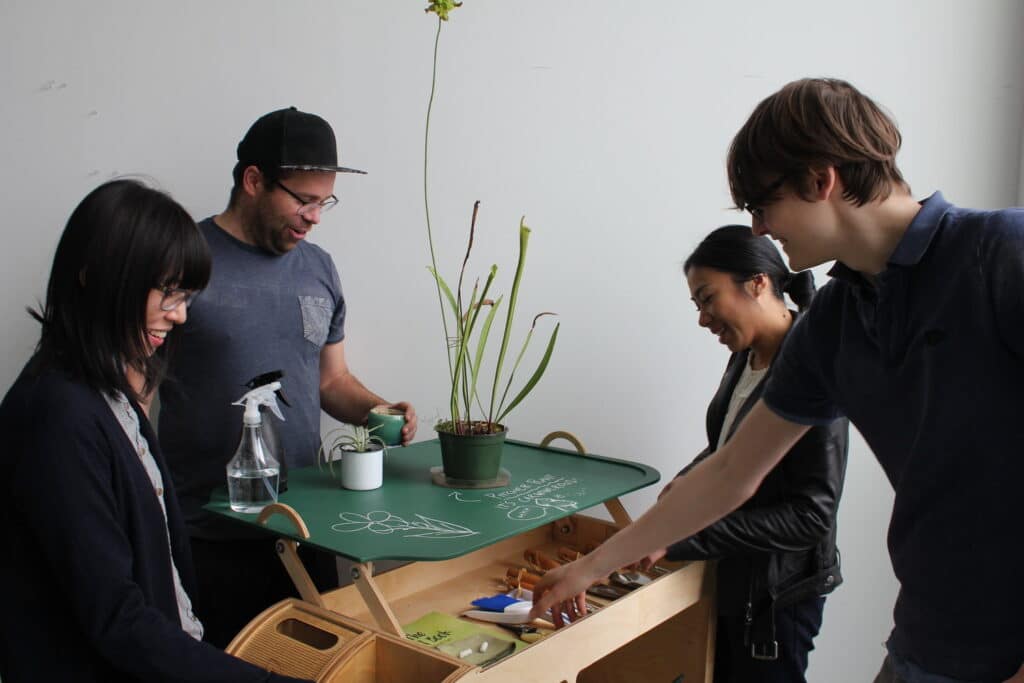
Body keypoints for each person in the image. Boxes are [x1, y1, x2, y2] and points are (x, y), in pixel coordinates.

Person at [530, 78, 1024, 683]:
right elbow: (732, 471)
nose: (760, 231)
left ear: (821, 180)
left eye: (762, 207)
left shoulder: (1000, 252)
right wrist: (592, 566)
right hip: (927, 639)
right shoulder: (832, 325)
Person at [0, 179, 310, 682]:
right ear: (95, 277)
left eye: (185, 296)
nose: (180, 314)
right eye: (168, 293)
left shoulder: (108, 394)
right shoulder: (57, 416)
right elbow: (117, 618)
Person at [158, 107, 419, 648]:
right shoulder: (185, 259)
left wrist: (379, 410)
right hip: (207, 537)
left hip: (307, 531)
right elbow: (135, 389)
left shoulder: (319, 267)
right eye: (302, 200)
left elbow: (331, 381)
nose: (314, 216)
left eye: (323, 202)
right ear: (253, 181)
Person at [642, 225, 848, 682]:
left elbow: (811, 516)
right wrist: (689, 479)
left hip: (777, 600)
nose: (702, 317)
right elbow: (731, 446)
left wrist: (682, 536)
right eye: (696, 305)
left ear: (757, 283)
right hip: (737, 583)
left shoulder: (813, 367)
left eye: (708, 297)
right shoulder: (747, 354)